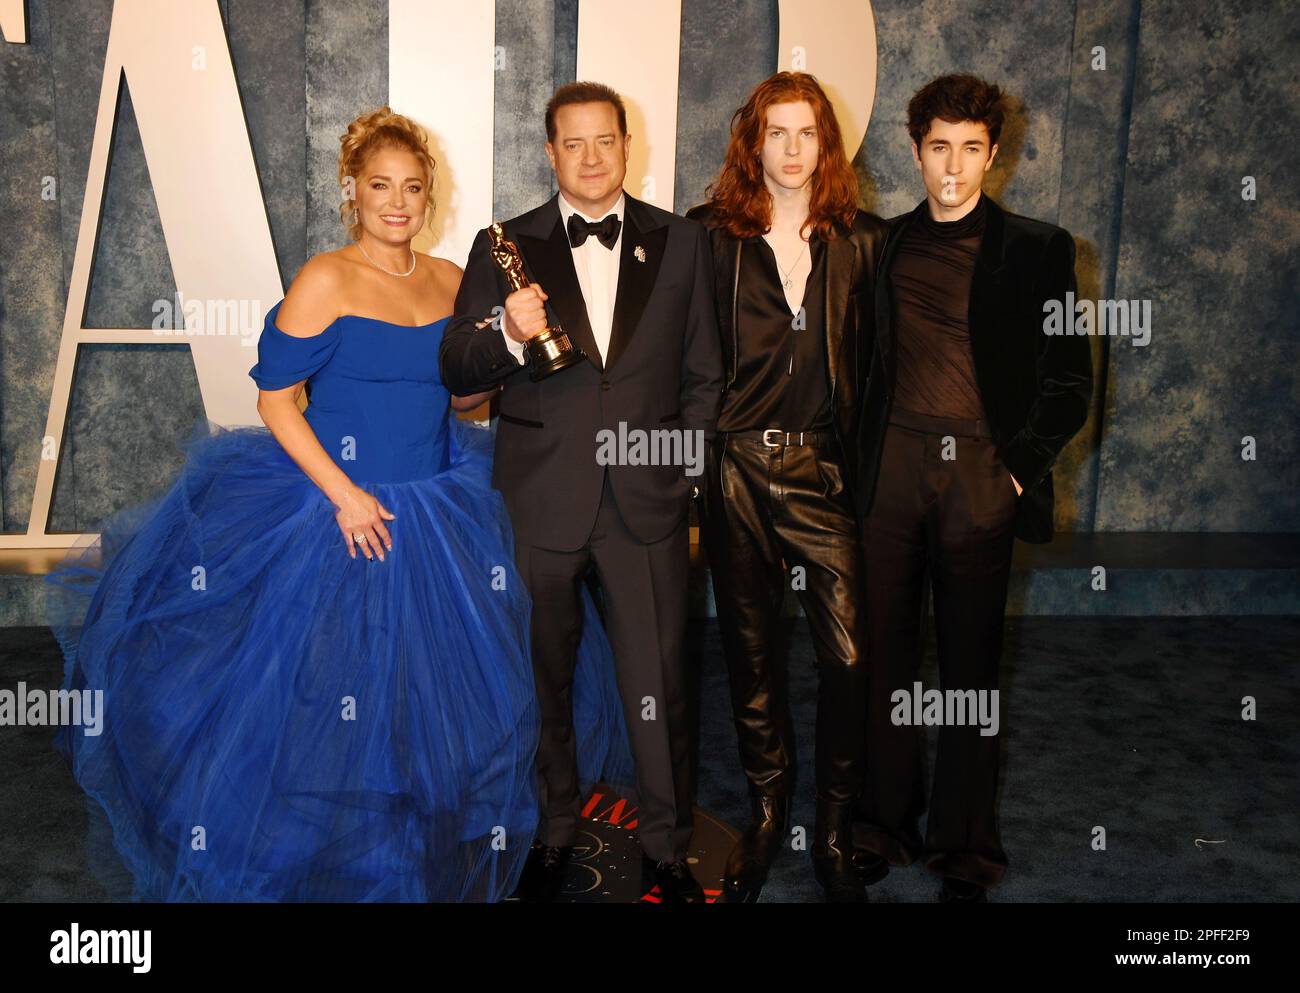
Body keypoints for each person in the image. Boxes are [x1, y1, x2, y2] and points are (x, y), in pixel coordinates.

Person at [46, 106, 631, 903]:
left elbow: (464, 405)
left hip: (440, 501)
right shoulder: (325, 278)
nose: (398, 202)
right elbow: (277, 401)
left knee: (447, 691)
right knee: (326, 697)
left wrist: (507, 351)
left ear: (430, 199)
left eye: (413, 189)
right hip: (335, 507)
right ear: (351, 190)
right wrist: (347, 494)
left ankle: (426, 830)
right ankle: (336, 851)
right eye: (380, 185)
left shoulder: (451, 280)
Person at [441, 81, 723, 903]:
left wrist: (681, 468)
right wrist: (506, 332)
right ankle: (555, 828)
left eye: (606, 141)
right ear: (548, 150)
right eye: (574, 143)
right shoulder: (505, 245)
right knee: (545, 675)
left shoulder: (681, 242)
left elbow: (705, 374)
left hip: (648, 501)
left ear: (626, 145)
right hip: (541, 499)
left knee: (659, 678)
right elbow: (456, 367)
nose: (591, 157)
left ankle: (668, 846)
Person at [853, 74, 1093, 902]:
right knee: (882, 661)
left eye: (971, 149)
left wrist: (1015, 468)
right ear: (915, 152)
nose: (953, 167)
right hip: (889, 479)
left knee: (968, 670)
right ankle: (882, 824)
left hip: (979, 483)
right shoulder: (879, 245)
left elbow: (1069, 383)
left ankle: (964, 847)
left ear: (995, 155)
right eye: (937, 148)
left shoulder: (1038, 247)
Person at [686, 72, 889, 903]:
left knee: (850, 656)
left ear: (826, 145)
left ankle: (834, 826)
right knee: (751, 653)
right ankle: (770, 812)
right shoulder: (709, 236)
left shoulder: (865, 240)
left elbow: (884, 370)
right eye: (778, 132)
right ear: (753, 141)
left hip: (822, 470)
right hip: (734, 465)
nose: (793, 150)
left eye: (808, 133)